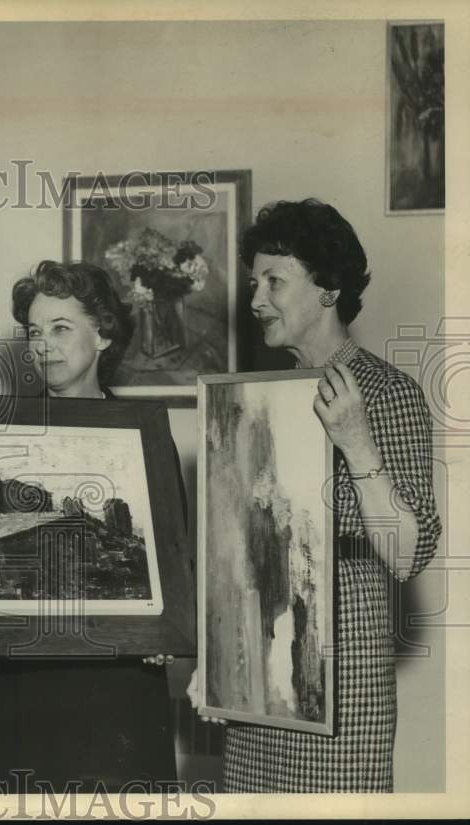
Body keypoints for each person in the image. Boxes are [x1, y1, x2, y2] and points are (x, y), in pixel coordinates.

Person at [188, 198, 442, 792]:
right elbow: (240, 553)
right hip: (261, 682)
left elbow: (407, 555)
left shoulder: (388, 393)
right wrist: (217, 660)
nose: (256, 300)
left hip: (343, 691)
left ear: (328, 290)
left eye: (274, 281)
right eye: (254, 283)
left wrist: (355, 440)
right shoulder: (257, 400)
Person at [0, 259, 187, 793]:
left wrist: (166, 626)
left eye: (60, 328)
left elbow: (172, 563)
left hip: (116, 685)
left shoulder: (146, 436)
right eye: (34, 332)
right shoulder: (3, 436)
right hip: (20, 683)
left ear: (104, 335)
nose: (42, 345)